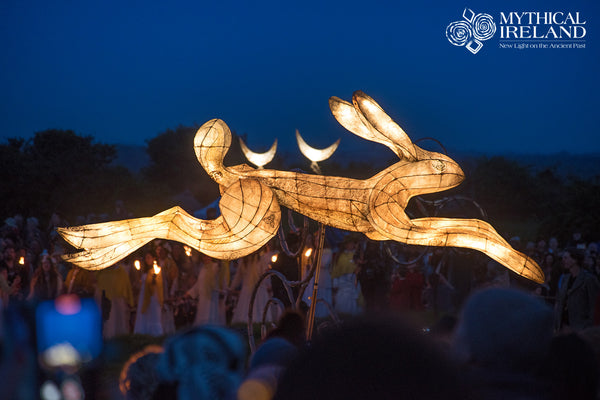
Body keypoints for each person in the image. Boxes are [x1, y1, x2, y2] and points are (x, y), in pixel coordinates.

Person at [554, 247, 600, 331]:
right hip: (564, 325)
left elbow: (594, 304)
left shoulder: (588, 279)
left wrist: (588, 326)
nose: (563, 260)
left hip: (580, 326)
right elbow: (560, 301)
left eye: (566, 258)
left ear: (575, 260)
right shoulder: (565, 279)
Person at [96, 262, 134, 338]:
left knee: (120, 322)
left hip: (119, 301)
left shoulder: (121, 271)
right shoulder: (102, 272)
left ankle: (120, 339)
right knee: (109, 323)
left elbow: (127, 286)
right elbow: (98, 286)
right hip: (106, 301)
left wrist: (130, 301)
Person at [134, 250, 164, 335]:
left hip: (153, 297)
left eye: (149, 258)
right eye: (146, 258)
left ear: (153, 258)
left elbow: (159, 285)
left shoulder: (156, 269)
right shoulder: (145, 270)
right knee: (144, 315)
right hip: (144, 296)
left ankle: (155, 334)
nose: (147, 260)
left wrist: (154, 280)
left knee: (153, 316)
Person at [331, 235, 361, 315]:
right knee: (343, 298)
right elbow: (337, 269)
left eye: (352, 243)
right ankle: (342, 315)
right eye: (350, 243)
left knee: (353, 299)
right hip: (343, 282)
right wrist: (335, 282)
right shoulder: (341, 256)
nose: (351, 245)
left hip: (354, 281)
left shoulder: (356, 255)